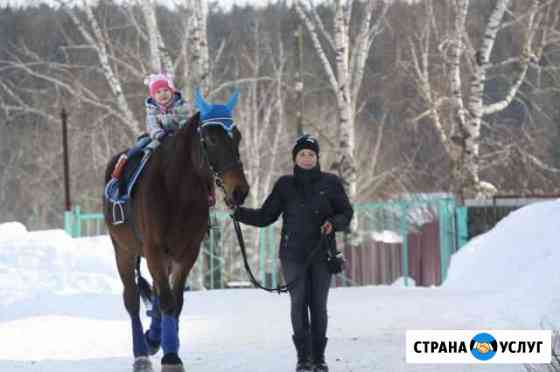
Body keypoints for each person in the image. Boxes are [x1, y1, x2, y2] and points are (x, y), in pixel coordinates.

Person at [232, 134, 353, 372]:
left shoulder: (331, 183)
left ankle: (318, 359)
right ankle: (303, 359)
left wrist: (334, 222)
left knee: (318, 306)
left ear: (317, 158)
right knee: (298, 304)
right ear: (295, 158)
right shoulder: (285, 185)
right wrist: (239, 213)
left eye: (311, 154)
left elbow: (346, 214)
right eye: (302, 154)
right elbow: (266, 216)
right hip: (292, 255)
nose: (307, 158)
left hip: (322, 254)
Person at [110, 74, 215, 206]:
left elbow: (186, 123)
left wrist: (181, 135)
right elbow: (152, 125)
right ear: (153, 96)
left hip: (180, 139)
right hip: (158, 138)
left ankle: (206, 190)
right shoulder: (152, 109)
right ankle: (123, 171)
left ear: (172, 91)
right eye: (158, 92)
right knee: (141, 148)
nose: (162, 94)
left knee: (199, 154)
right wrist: (158, 134)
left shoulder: (181, 106)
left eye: (165, 90)